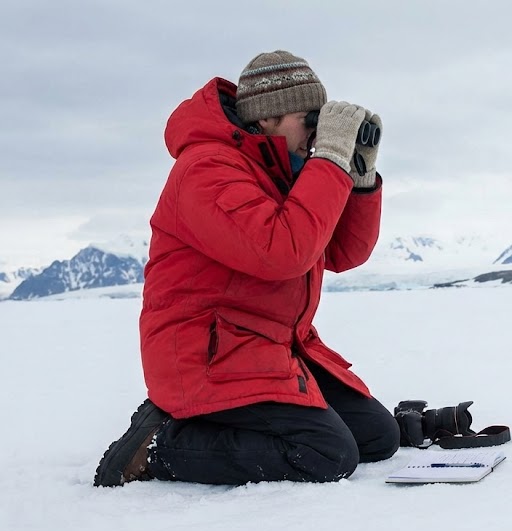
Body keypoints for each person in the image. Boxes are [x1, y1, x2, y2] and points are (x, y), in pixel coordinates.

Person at [93, 50, 399, 486]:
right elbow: (282, 253)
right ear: (268, 118)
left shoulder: (280, 172)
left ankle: (209, 429)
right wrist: (329, 158)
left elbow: (343, 253)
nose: (315, 133)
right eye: (309, 118)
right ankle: (161, 444)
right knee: (327, 454)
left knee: (376, 437)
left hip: (263, 349)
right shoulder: (207, 170)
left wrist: (358, 174)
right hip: (205, 357)